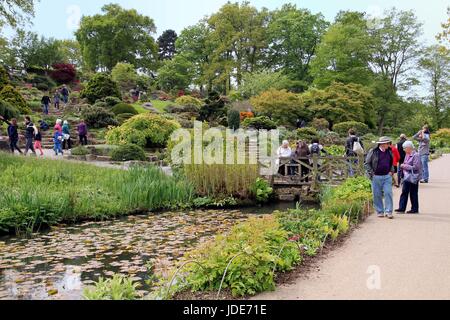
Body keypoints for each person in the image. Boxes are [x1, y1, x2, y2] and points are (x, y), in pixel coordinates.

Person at [365, 136, 395, 219]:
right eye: (387, 143)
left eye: (388, 143)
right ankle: (380, 211)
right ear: (382, 144)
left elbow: (392, 163)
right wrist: (372, 173)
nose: (388, 145)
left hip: (387, 176)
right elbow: (367, 163)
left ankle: (389, 212)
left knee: (388, 193)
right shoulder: (373, 151)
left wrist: (391, 171)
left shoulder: (389, 151)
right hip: (376, 177)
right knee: (377, 194)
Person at [396, 141, 423, 215]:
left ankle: (414, 209)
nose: (403, 150)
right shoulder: (407, 154)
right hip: (407, 176)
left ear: (409, 148)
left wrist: (404, 166)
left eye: (404, 148)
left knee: (413, 193)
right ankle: (401, 208)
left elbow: (416, 167)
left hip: (413, 176)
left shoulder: (416, 155)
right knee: (404, 192)